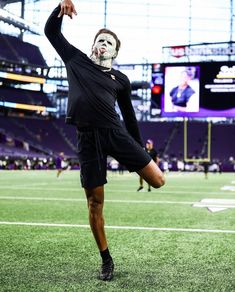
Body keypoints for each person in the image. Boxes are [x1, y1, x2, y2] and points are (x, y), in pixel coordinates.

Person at [45, 0, 165, 281]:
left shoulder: (120, 79)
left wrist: (140, 151)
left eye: (108, 42)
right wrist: (59, 8)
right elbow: (52, 32)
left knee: (158, 180)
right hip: (88, 139)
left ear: (115, 52)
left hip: (116, 134)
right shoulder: (75, 60)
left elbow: (129, 116)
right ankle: (106, 259)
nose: (103, 44)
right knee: (95, 204)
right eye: (99, 40)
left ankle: (141, 168)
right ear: (92, 45)